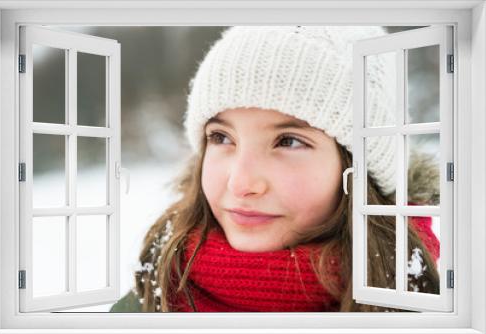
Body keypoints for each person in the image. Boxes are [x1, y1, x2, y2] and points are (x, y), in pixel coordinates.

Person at [110, 26, 440, 313]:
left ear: (360, 167)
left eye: (288, 142)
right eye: (221, 137)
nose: (241, 184)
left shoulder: (424, 310)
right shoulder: (148, 303)